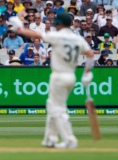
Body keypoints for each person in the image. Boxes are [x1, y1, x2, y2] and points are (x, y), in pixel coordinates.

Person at [9, 12, 94, 148]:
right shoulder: (78, 39)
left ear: (60, 24)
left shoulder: (58, 36)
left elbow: (36, 35)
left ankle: (69, 139)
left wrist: (20, 29)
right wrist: (87, 73)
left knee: (57, 108)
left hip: (59, 76)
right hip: (71, 76)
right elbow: (90, 54)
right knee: (52, 104)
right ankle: (50, 138)